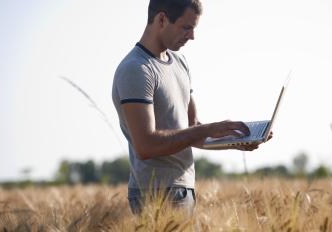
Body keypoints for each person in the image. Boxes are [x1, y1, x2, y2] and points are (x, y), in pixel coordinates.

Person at [111, 0, 272, 215]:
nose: (192, 36)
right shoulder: (136, 69)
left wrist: (237, 140)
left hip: (183, 189)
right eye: (187, 27)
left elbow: (191, 128)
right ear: (161, 19)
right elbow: (146, 146)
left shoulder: (180, 63)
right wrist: (207, 129)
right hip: (156, 193)